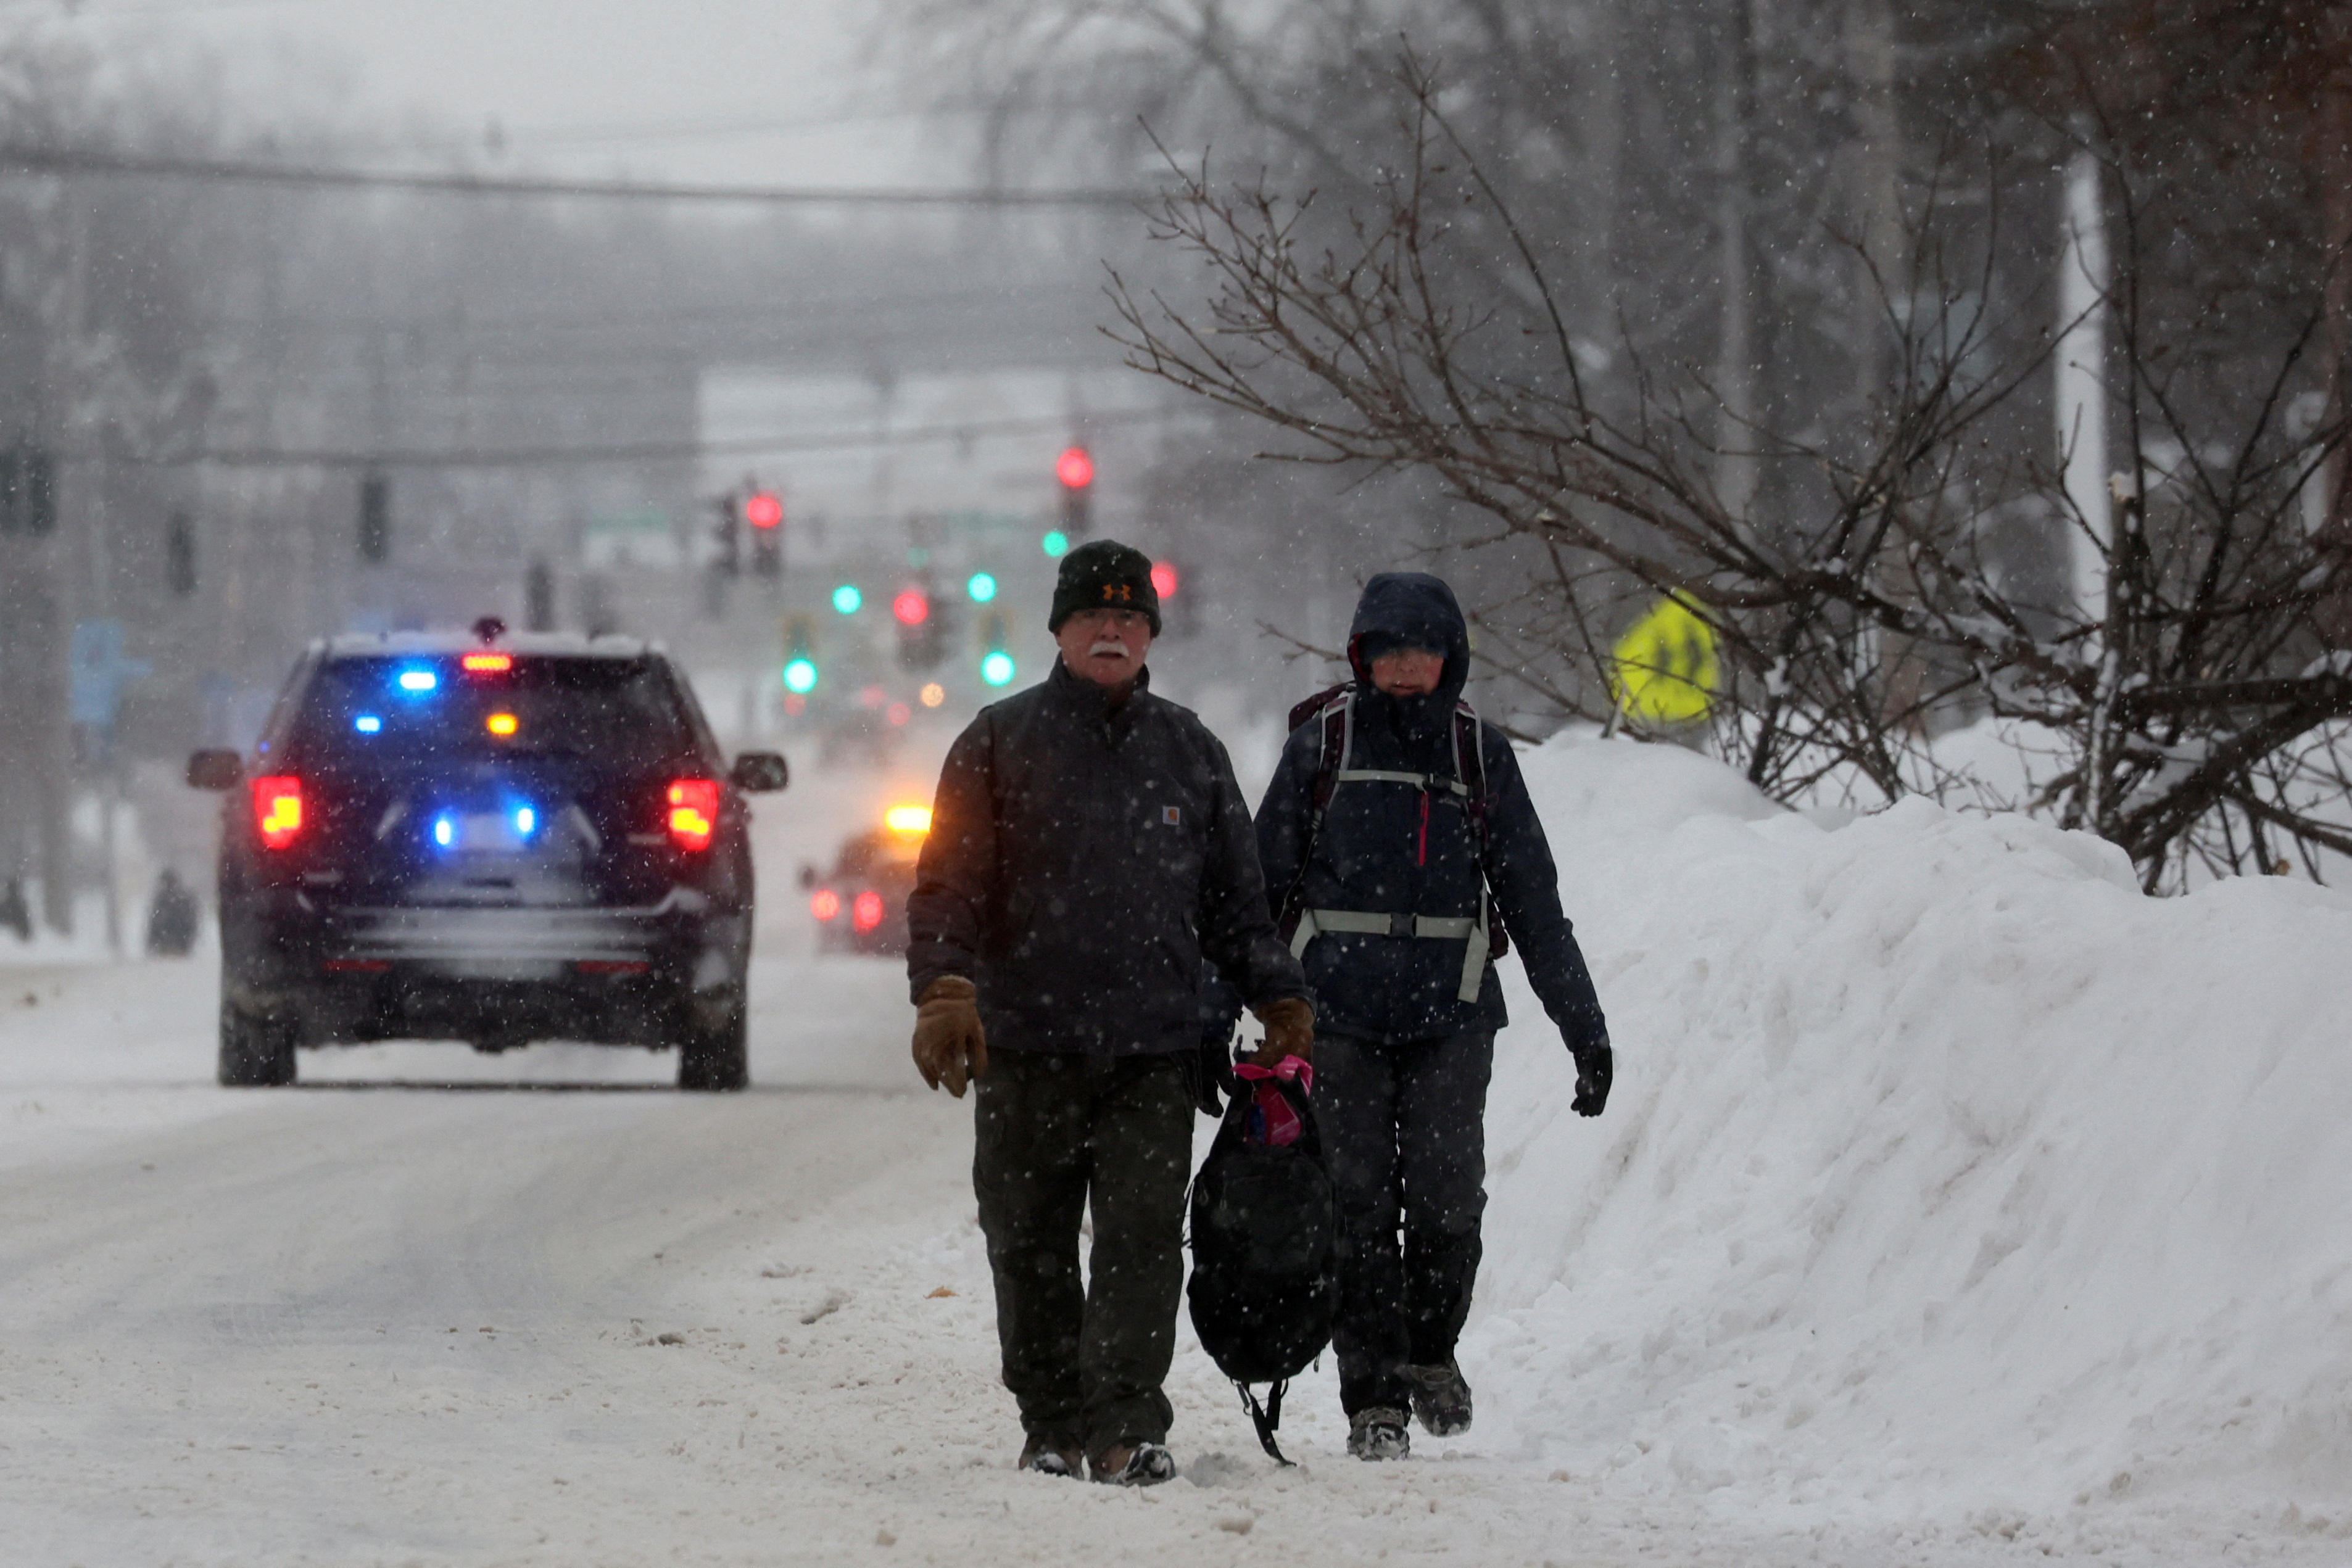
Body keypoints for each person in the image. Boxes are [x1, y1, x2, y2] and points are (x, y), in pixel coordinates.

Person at [905, 539, 1314, 1487]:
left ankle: (1127, 1423)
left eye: (1130, 618)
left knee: (1139, 1239)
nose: (1112, 630)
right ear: (1059, 629)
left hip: (1154, 1049)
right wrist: (945, 990)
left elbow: (1237, 910)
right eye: (1094, 615)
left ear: (1151, 637)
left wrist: (1280, 992)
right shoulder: (998, 741)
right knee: (1028, 1236)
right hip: (1025, 1042)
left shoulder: (1191, 752)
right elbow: (947, 886)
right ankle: (1050, 1418)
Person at [1251, 571, 1610, 1461]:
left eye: (1423, 650)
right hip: (1337, 1013)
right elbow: (1255, 894)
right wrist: (1231, 1009)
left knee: (1450, 1201)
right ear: (1363, 656)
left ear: (1451, 658)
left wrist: (1584, 1028)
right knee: (1359, 1208)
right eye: (1390, 651)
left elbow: (1535, 904)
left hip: (1449, 1014)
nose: (1407, 668)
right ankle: (1374, 1397)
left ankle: (1431, 1350)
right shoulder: (1321, 746)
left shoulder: (1479, 756)